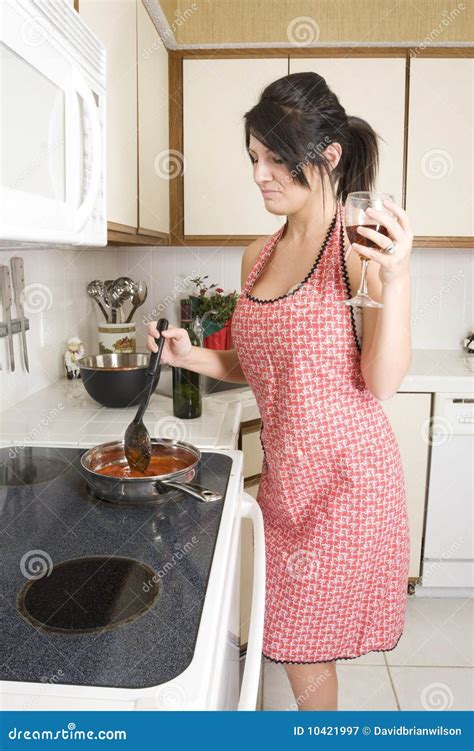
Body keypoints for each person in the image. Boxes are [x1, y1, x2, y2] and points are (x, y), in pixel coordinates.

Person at [147, 71, 413, 711]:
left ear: (328, 157)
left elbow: (382, 381)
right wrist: (195, 357)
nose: (261, 174)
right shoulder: (256, 256)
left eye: (276, 159)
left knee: (301, 656)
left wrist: (396, 279)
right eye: (254, 159)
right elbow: (261, 365)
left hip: (347, 486)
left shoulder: (354, 253)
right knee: (285, 641)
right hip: (286, 484)